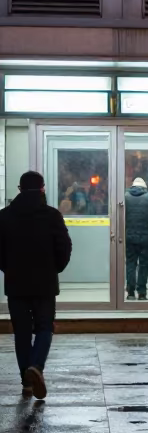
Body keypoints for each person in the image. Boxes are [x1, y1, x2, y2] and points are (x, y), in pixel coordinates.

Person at [0, 170, 72, 400]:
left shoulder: (4, 216)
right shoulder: (52, 215)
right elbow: (64, 246)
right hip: (44, 283)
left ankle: (27, 383)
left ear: (19, 190)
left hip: (16, 283)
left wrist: (8, 269)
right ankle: (36, 367)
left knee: (21, 333)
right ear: (43, 189)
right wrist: (55, 268)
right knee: (44, 327)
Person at [124, 177, 148, 300]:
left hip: (129, 236)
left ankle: (130, 292)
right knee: (144, 265)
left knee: (130, 263)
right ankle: (142, 293)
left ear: (132, 186)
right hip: (146, 238)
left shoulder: (125, 198)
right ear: (144, 187)